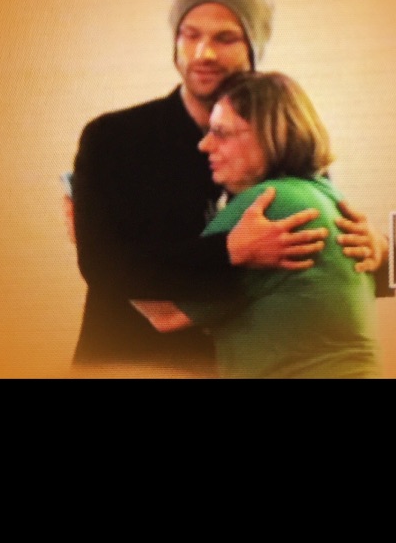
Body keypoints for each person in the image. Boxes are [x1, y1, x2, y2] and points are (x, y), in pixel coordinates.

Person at [71, 0, 389, 376]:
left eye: (225, 38)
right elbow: (103, 268)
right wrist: (229, 251)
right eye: (190, 35)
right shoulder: (113, 139)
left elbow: (321, 266)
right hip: (127, 361)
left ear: (253, 48)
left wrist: (379, 250)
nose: (203, 54)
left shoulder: (279, 148)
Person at [132, 72, 382, 378]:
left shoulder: (266, 206)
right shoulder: (324, 194)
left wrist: (104, 238)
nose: (205, 145)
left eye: (221, 133)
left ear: (269, 135)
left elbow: (165, 312)